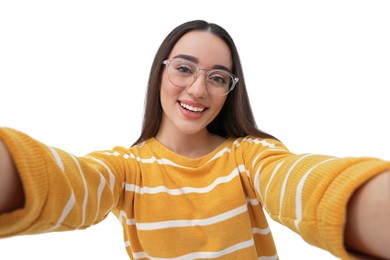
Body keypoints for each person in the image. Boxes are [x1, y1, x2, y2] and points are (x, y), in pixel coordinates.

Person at [0, 19, 389, 260]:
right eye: (184, 69)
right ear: (160, 74)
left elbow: (303, 185)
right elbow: (69, 185)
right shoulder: (126, 169)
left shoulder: (250, 157)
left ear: (229, 91)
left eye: (218, 77)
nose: (198, 89)